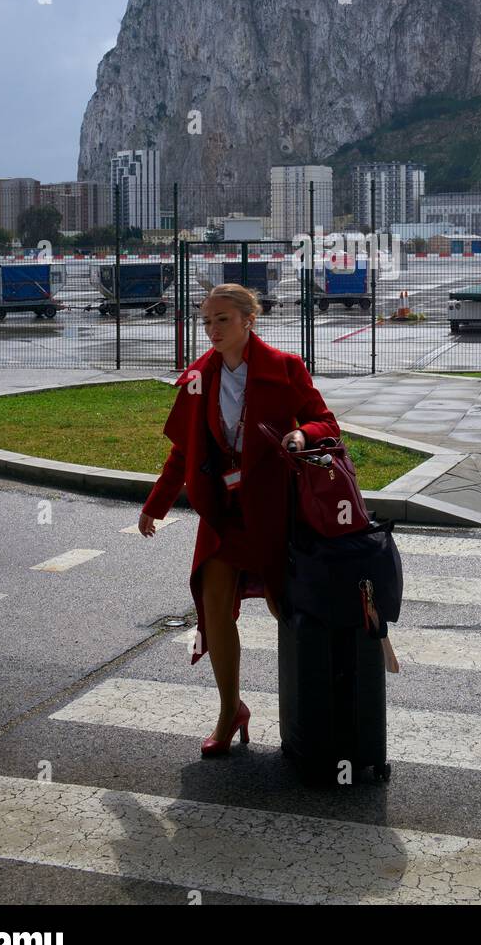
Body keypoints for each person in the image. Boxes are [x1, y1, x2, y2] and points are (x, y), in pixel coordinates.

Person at [137, 283, 340, 757]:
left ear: (250, 319)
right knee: (213, 610)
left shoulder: (285, 367)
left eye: (222, 319)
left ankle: (313, 710)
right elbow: (183, 449)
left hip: (274, 510)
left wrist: (299, 433)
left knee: (285, 607)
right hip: (223, 513)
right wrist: (156, 503)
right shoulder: (198, 377)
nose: (212, 329)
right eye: (206, 320)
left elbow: (326, 423)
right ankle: (231, 710)